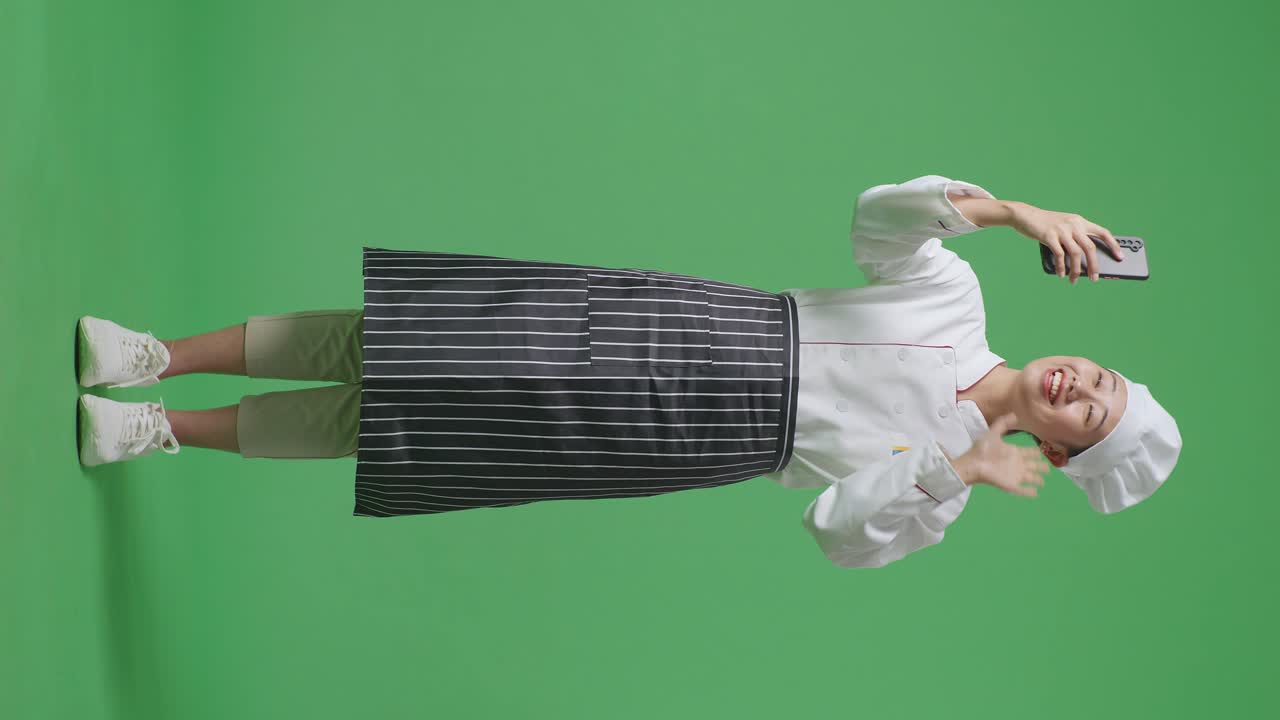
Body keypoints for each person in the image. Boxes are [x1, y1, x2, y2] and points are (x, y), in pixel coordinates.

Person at [74, 174, 1181, 568]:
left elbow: (836, 531)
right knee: (405, 335)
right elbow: (877, 218)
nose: (1082, 383)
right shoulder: (958, 299)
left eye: (1093, 413)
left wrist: (957, 469)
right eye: (1104, 376)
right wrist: (1006, 210)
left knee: (403, 428)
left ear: (1068, 450)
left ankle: (164, 431)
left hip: (683, 439)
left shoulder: (952, 487)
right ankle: (156, 356)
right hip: (688, 327)